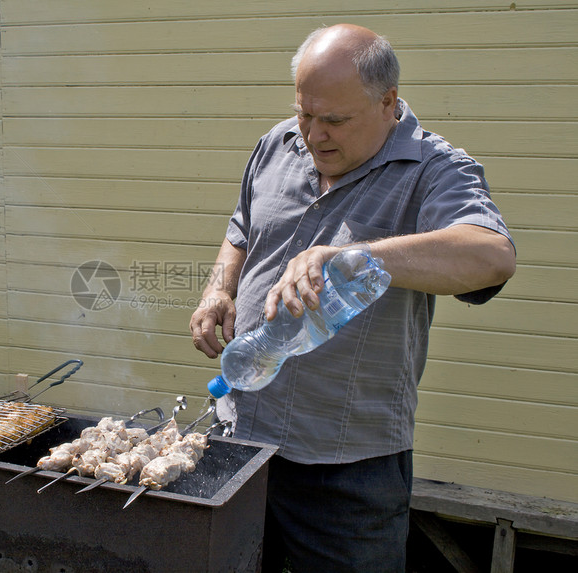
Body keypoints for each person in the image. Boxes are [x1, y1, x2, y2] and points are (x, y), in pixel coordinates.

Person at [189, 24, 515, 572]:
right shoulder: (276, 145)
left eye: (334, 121)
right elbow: (242, 228)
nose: (314, 136)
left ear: (387, 102)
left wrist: (359, 258)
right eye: (304, 114)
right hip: (239, 438)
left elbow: (492, 256)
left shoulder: (437, 170)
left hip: (345, 470)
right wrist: (219, 288)